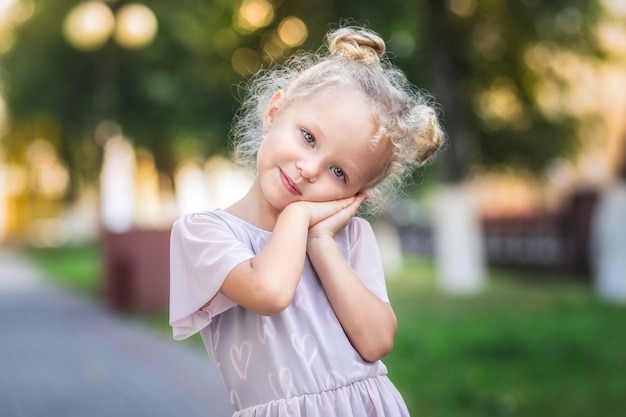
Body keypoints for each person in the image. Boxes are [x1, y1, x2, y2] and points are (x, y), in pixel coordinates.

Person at [169, 25, 444, 416]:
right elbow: (269, 292)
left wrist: (321, 244)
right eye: (309, 138)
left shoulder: (349, 238)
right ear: (274, 112)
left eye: (339, 173)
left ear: (355, 195)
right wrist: (297, 217)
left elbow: (376, 342)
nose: (309, 169)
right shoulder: (204, 232)